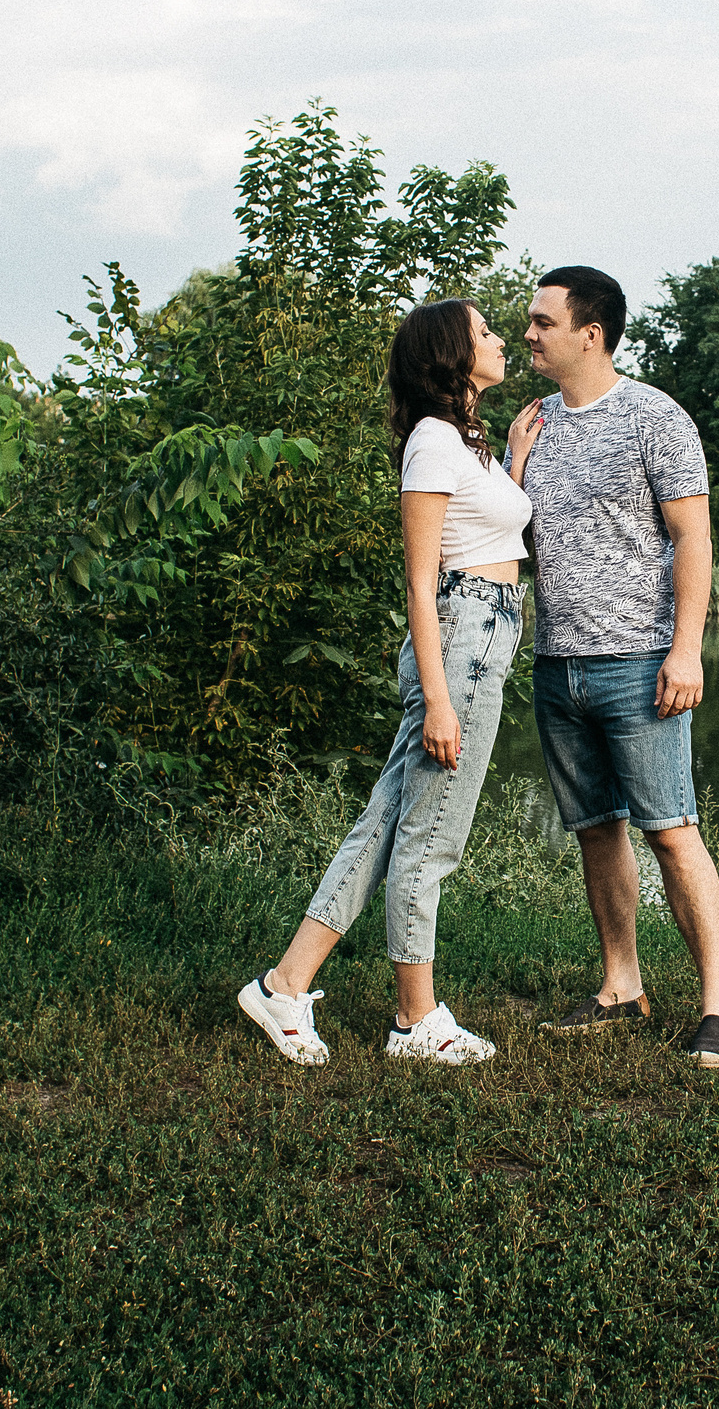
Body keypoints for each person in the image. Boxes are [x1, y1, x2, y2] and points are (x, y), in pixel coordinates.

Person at [237, 298, 538, 1067]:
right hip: (461, 642)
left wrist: (513, 458)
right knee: (430, 836)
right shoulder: (435, 443)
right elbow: (421, 581)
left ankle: (285, 983)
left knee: (385, 824)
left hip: (480, 632)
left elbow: (491, 525)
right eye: (484, 331)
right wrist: (439, 697)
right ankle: (416, 1019)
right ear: (449, 356)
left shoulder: (462, 445)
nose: (501, 338)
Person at [510, 265, 719, 1069]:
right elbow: (513, 534)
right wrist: (512, 461)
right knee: (596, 831)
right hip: (558, 664)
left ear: (591, 333)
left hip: (640, 663)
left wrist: (687, 647)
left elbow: (694, 537)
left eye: (542, 322)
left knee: (672, 830)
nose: (528, 334)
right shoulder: (534, 423)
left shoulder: (655, 417)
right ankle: (622, 986)